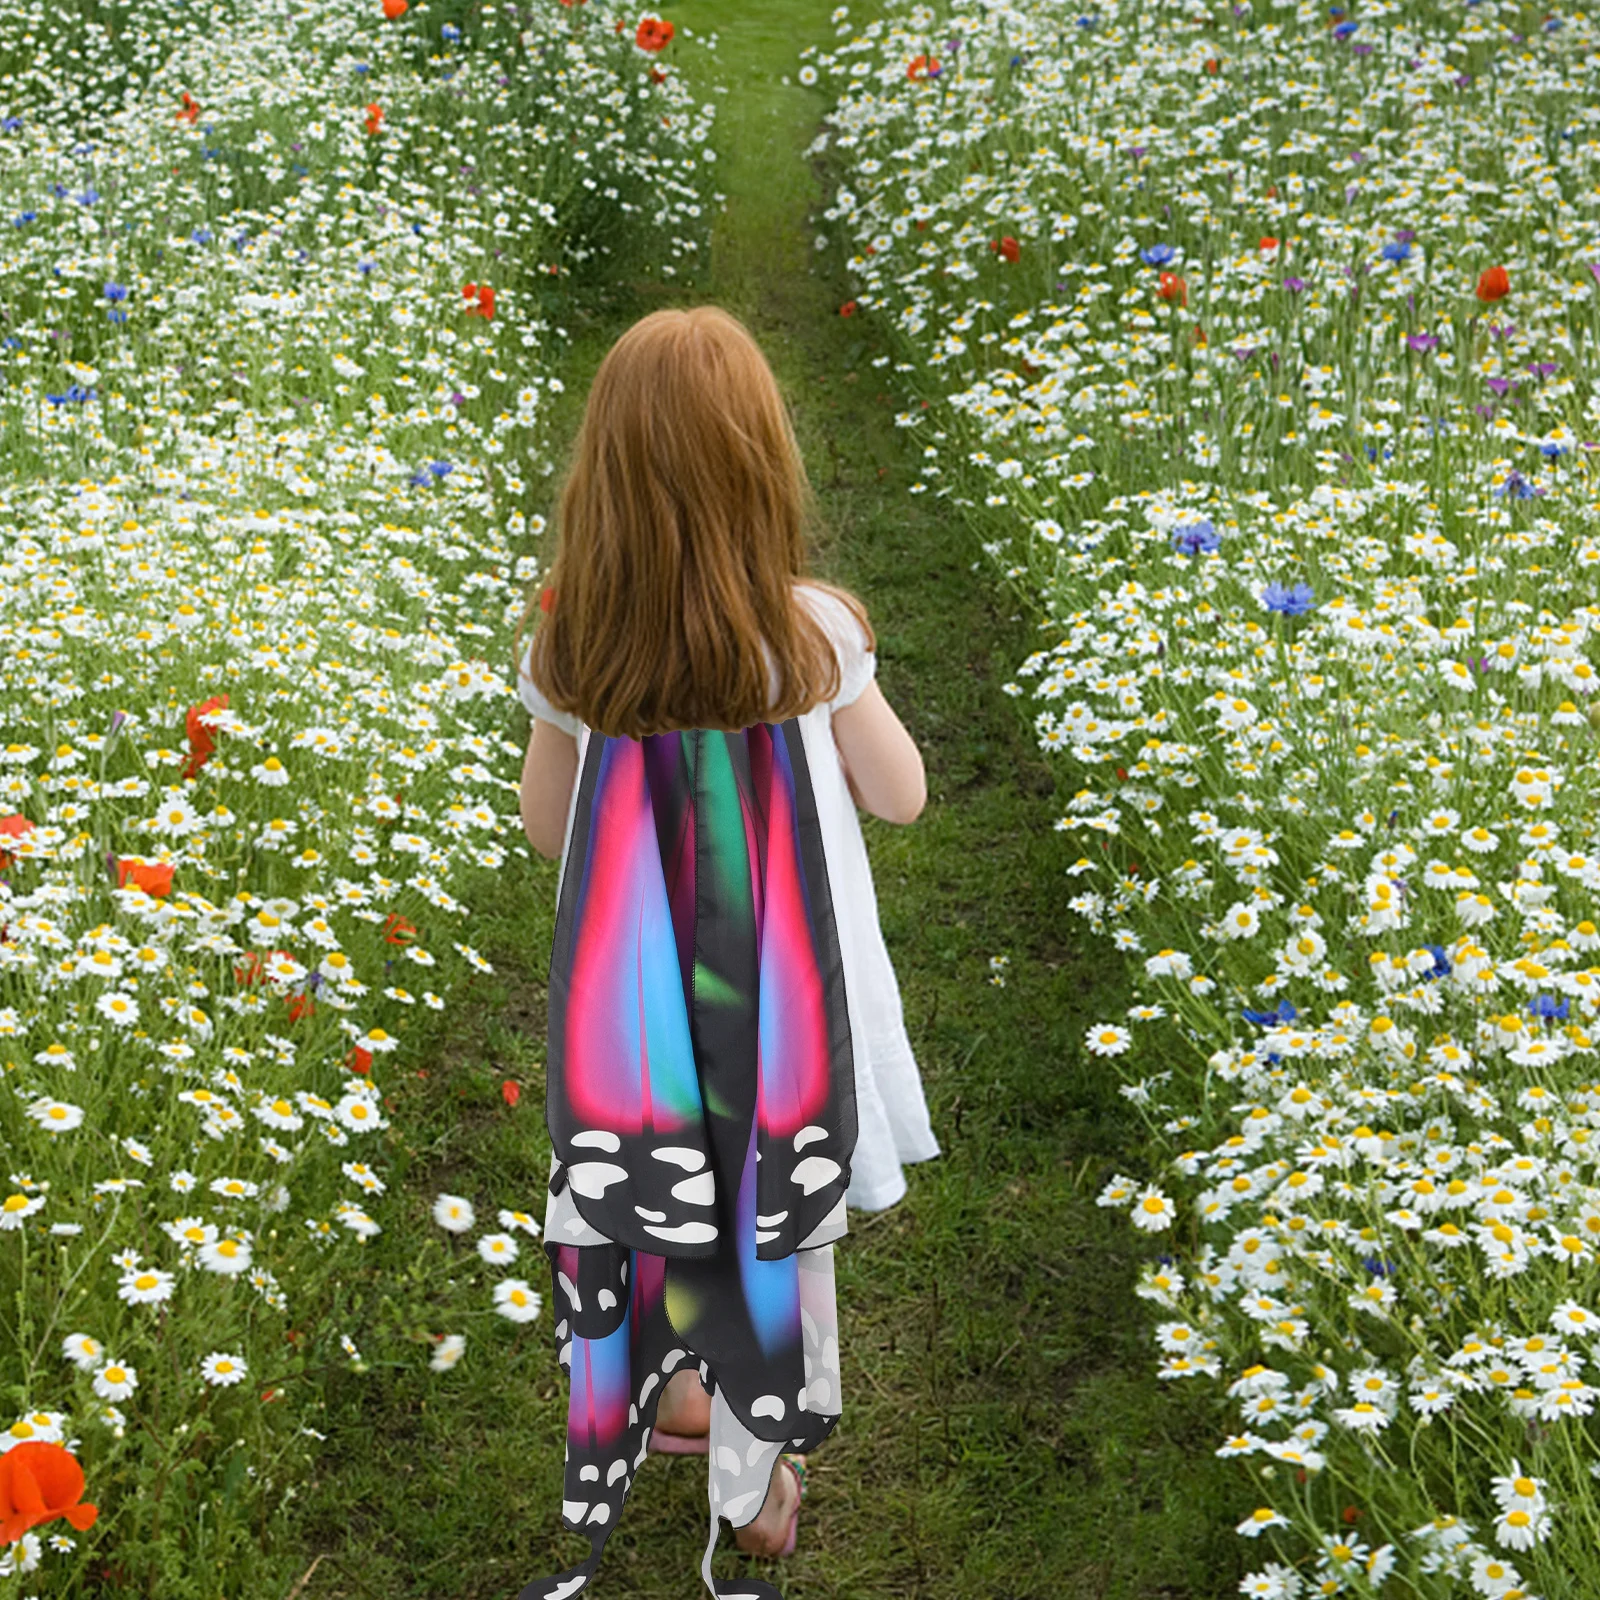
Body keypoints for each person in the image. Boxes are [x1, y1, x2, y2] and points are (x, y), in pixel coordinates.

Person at [511, 305, 937, 1600]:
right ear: (764, 468)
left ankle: (684, 1385)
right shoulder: (814, 633)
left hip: (641, 1010)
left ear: (607, 480)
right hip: (789, 1007)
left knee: (663, 1202)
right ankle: (755, 1487)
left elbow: (545, 829)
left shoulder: (575, 640)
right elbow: (902, 795)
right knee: (776, 1219)